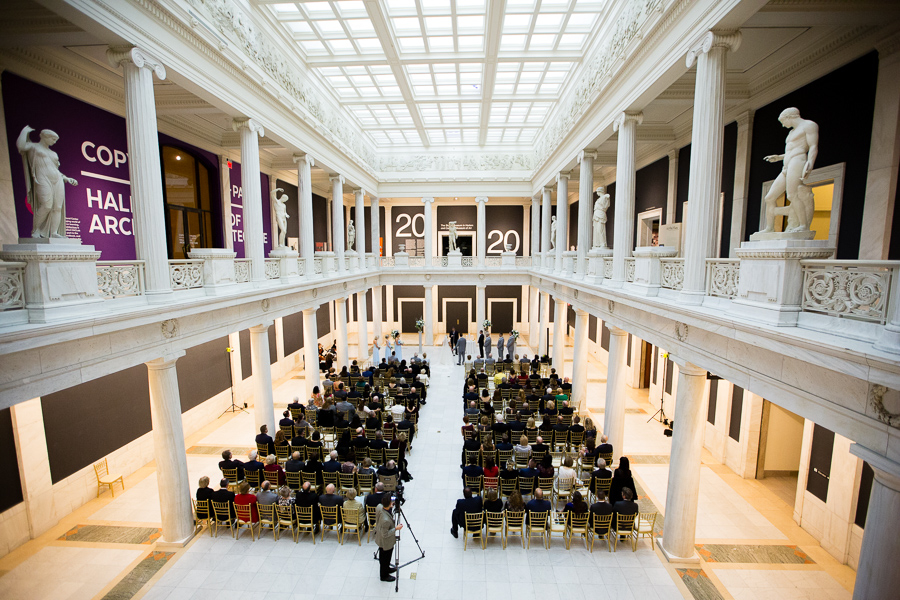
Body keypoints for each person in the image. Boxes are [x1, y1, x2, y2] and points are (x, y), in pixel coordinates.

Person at [375, 495, 402, 582]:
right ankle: (384, 575)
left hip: (381, 537)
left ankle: (387, 568)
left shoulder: (379, 506)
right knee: (385, 558)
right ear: (390, 504)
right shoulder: (385, 520)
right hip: (385, 542)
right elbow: (385, 534)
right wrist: (396, 529)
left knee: (385, 558)